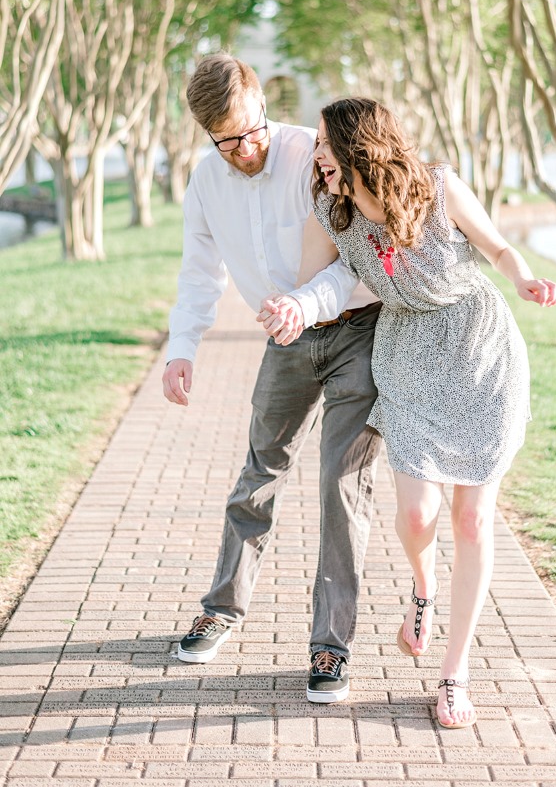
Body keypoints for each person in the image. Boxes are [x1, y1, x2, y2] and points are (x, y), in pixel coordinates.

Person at [260, 97, 556, 728]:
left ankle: (455, 675)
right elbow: (325, 287)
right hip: (408, 359)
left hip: (483, 355)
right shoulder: (331, 212)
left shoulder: (440, 188)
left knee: (474, 520)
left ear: (359, 147)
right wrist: (296, 307)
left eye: (324, 145)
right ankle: (423, 586)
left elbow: (500, 248)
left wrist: (527, 278)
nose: (317, 157)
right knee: (417, 515)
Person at [162, 55, 382, 704]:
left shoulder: (312, 155)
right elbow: (201, 273)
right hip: (285, 341)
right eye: (227, 140)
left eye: (251, 129)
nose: (245, 147)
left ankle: (330, 647)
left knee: (342, 487)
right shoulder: (207, 183)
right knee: (259, 472)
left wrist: (303, 303)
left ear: (263, 106)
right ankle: (222, 608)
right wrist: (182, 349)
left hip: (354, 332)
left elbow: (359, 256)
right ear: (208, 135)